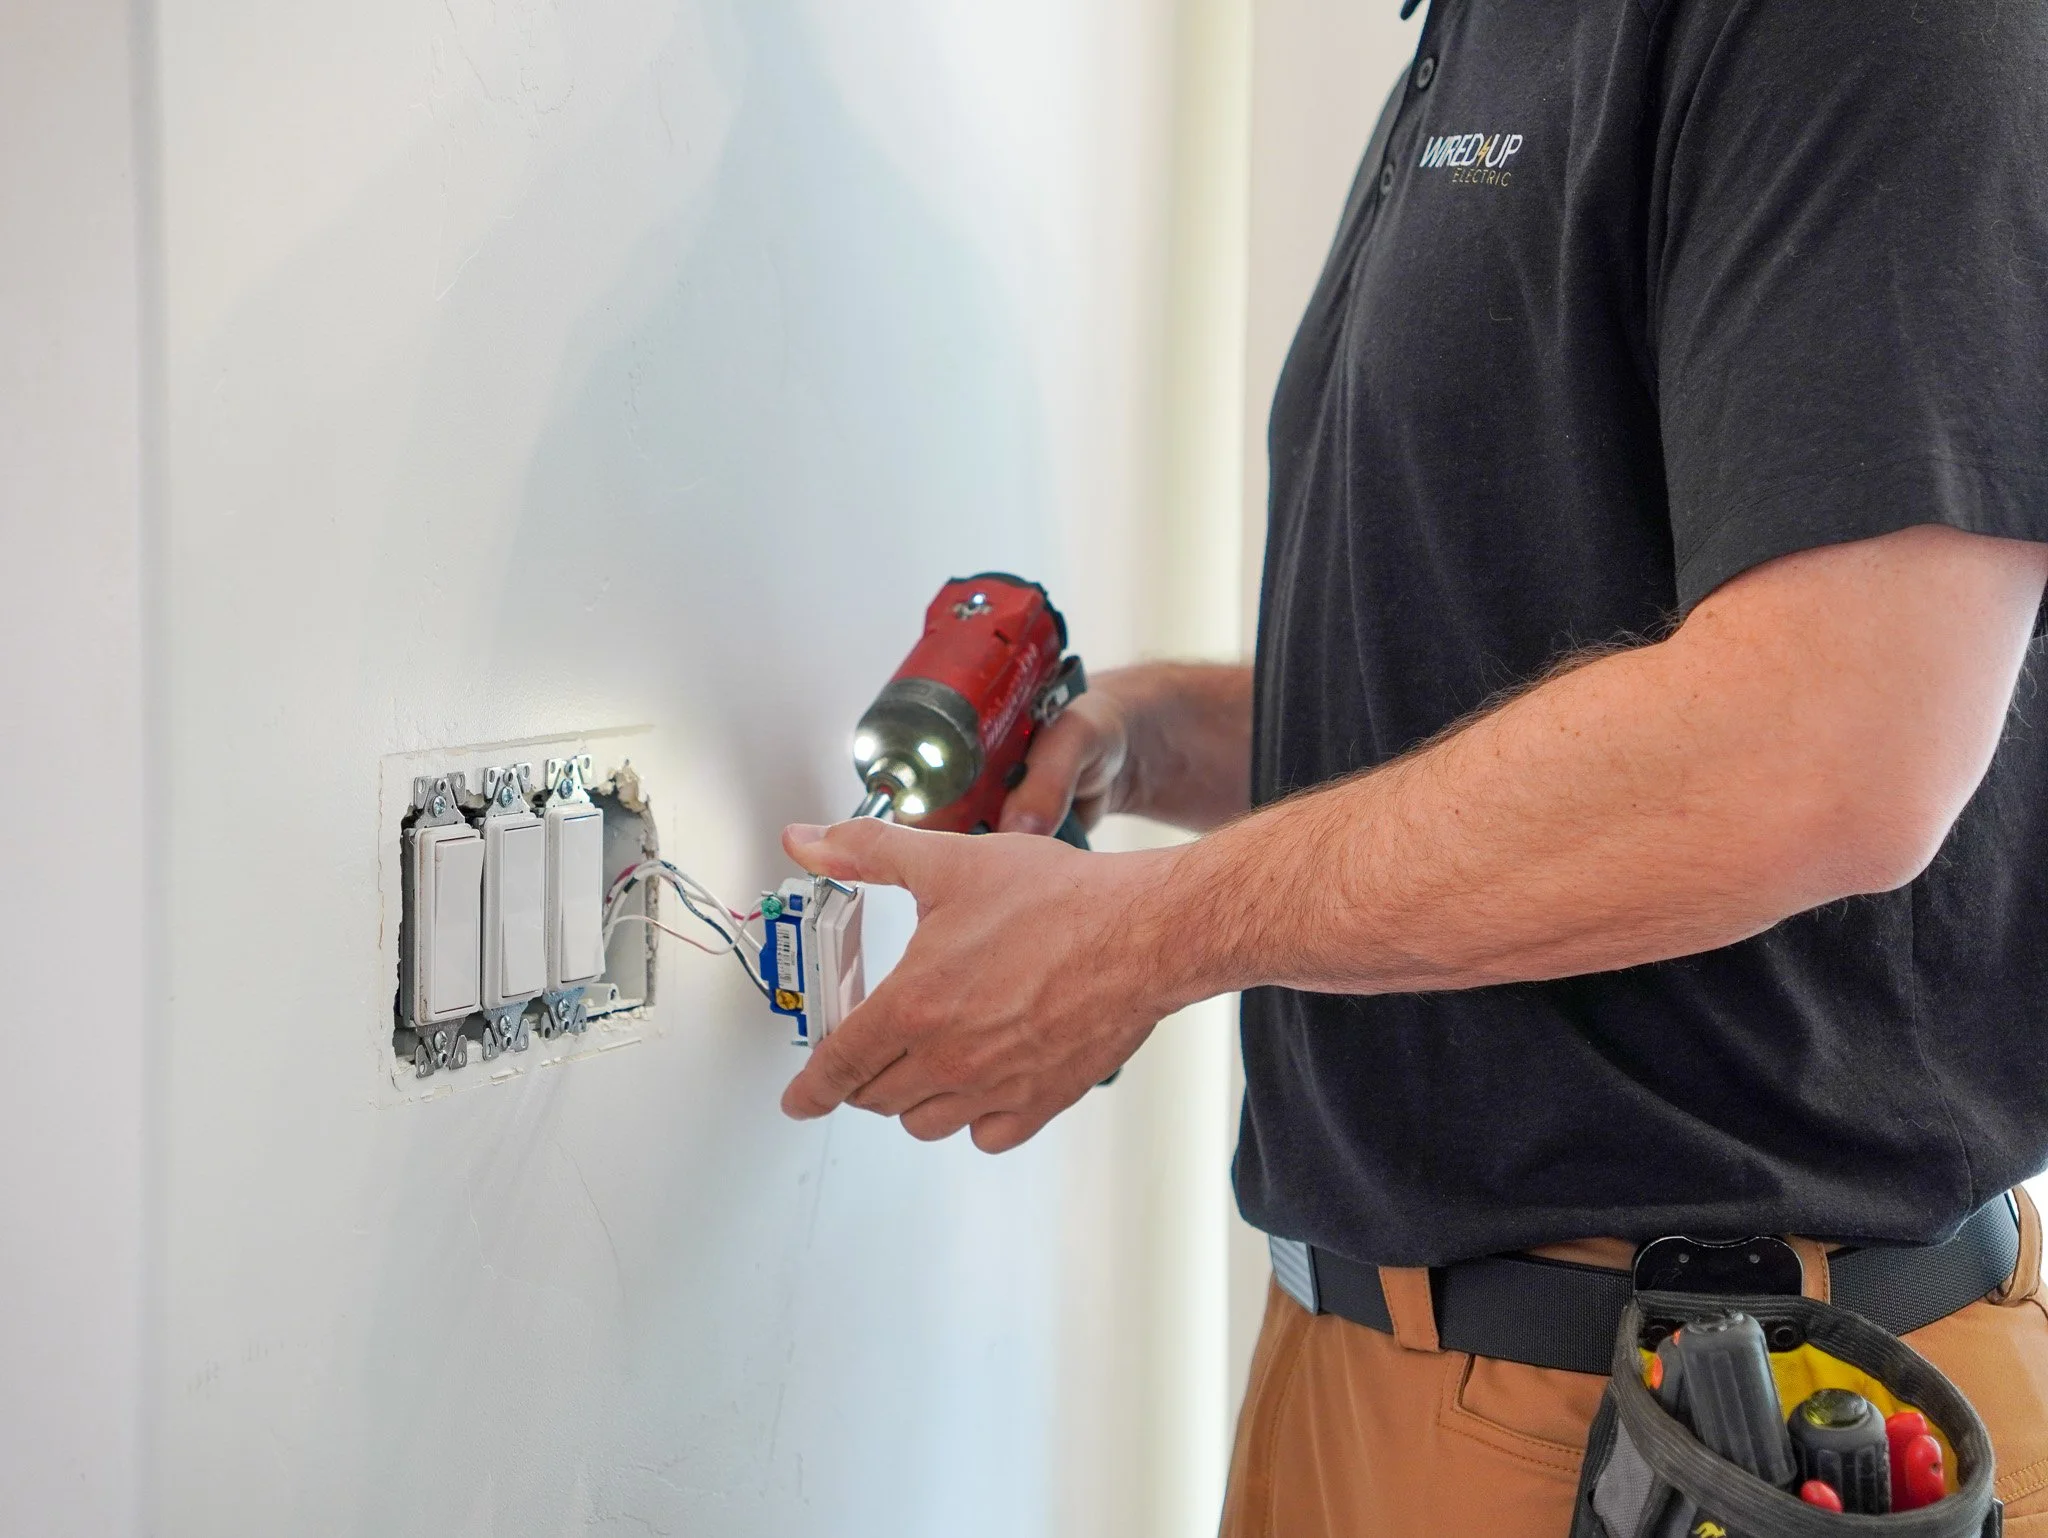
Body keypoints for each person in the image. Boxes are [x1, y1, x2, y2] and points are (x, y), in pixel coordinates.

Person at [777, 1, 2048, 1531]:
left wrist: (1143, 936)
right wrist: (1163, 733)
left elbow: (1822, 746)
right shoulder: (1488, 32)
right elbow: (1534, 689)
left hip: (1712, 1429)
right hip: (1359, 1363)